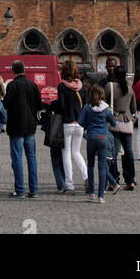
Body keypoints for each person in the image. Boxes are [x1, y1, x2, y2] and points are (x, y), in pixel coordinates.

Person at [4, 59, 43, 199]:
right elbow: (39, 104)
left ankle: (19, 189)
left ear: (13, 71)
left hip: (16, 125)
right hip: (30, 125)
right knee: (31, 157)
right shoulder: (33, 85)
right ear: (24, 70)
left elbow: (6, 104)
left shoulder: (12, 86)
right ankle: (34, 189)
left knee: (17, 158)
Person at [78, 83, 118, 204]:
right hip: (102, 137)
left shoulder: (86, 107)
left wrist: (88, 126)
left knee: (90, 165)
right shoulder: (106, 108)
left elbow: (80, 122)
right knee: (102, 166)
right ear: (102, 95)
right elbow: (114, 123)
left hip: (91, 137)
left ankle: (91, 193)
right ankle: (101, 196)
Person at [58, 58, 88, 194]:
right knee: (77, 152)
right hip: (80, 124)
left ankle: (69, 184)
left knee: (66, 154)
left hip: (67, 124)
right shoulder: (81, 86)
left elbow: (62, 106)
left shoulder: (62, 86)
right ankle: (87, 177)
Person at [106, 68, 136, 189]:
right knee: (128, 152)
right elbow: (133, 108)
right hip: (127, 121)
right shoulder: (129, 88)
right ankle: (130, 180)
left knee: (113, 152)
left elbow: (104, 104)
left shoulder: (110, 86)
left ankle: (114, 179)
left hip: (115, 122)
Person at [40, 95, 66, 192]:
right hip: (63, 135)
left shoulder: (54, 104)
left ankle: (60, 185)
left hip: (53, 136)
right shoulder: (66, 105)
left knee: (55, 163)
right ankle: (65, 182)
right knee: (63, 162)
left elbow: (44, 119)